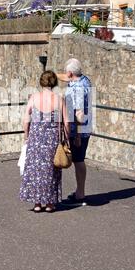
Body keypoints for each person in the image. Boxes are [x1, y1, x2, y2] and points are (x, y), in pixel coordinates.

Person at [19, 70, 70, 213]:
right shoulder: (59, 99)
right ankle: (50, 203)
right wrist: (67, 138)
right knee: (51, 170)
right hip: (52, 139)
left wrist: (26, 136)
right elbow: (66, 122)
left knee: (35, 170)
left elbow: (26, 119)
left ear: (41, 82)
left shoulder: (34, 98)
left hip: (36, 138)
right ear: (54, 83)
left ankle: (37, 203)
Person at [57, 58, 92, 204]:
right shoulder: (84, 80)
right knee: (79, 159)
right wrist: (54, 75)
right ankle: (79, 191)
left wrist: (76, 135)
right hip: (86, 127)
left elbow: (79, 113)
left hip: (79, 130)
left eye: (67, 73)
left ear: (71, 73)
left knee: (78, 160)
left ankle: (80, 194)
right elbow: (67, 77)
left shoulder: (77, 89)